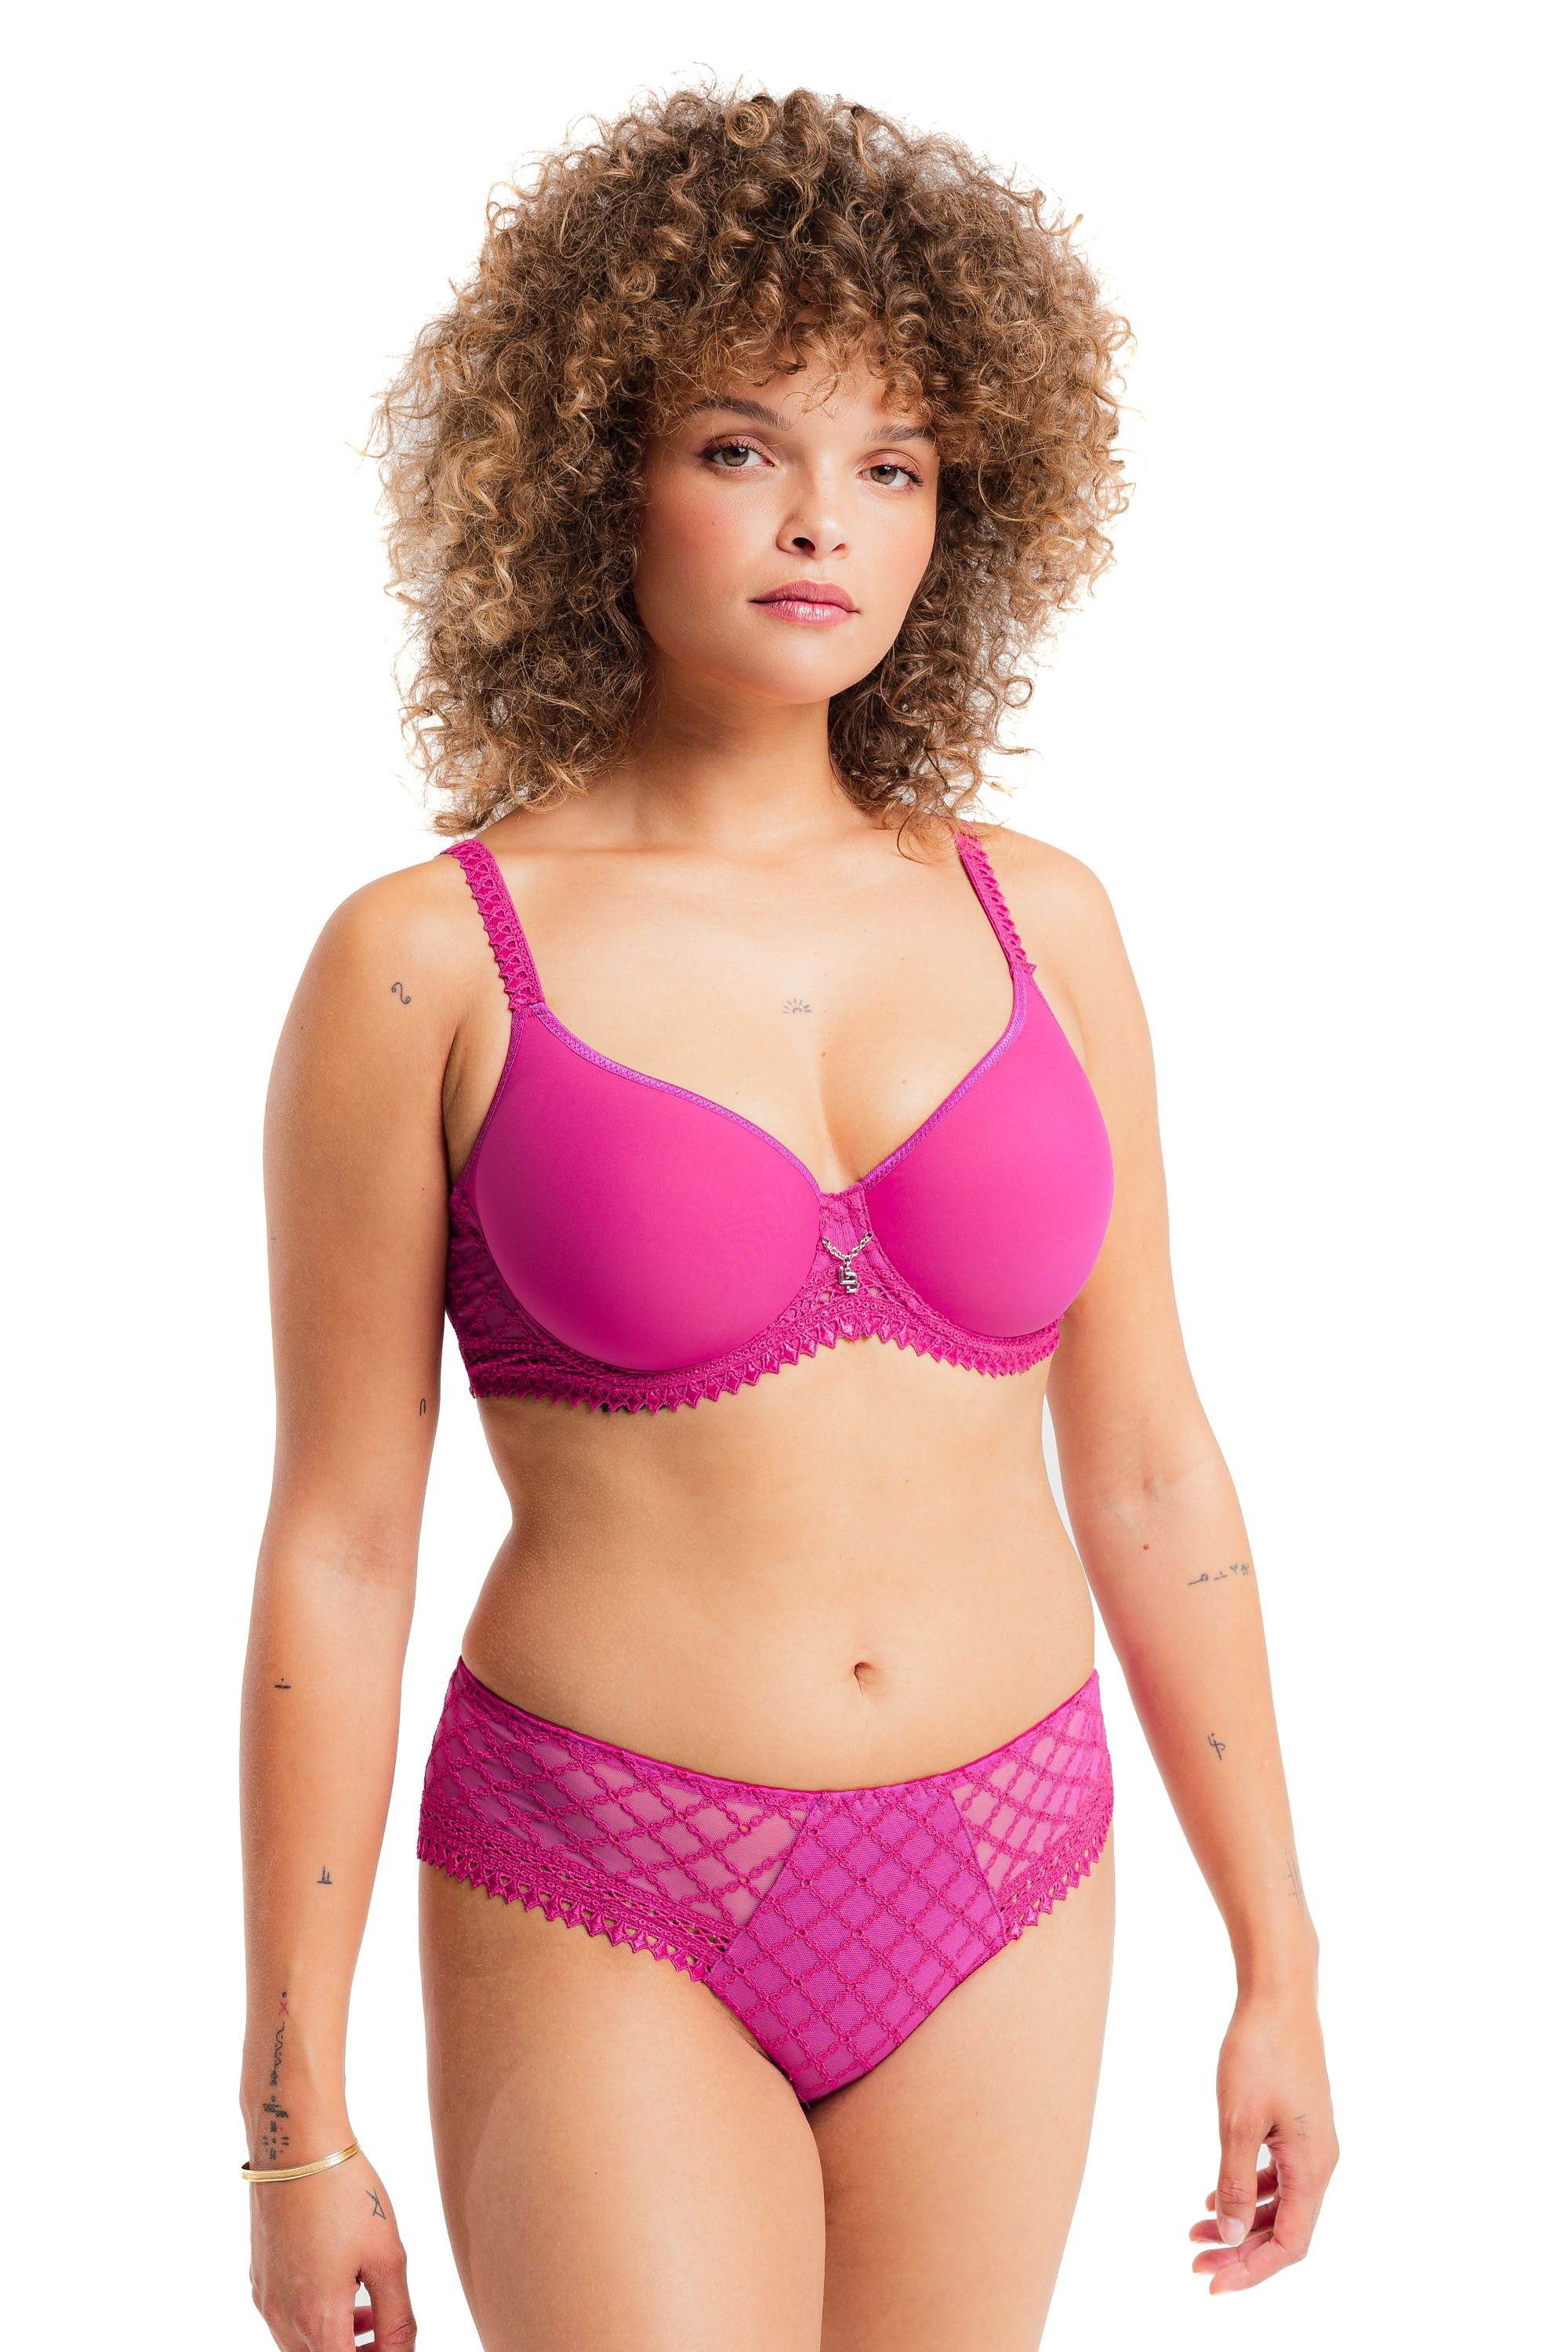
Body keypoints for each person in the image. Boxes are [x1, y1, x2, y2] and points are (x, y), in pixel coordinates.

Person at [238, 82, 1338, 2352]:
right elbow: (340, 1544)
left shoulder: (1047, 922)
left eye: (894, 464)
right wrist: (290, 2116)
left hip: (1011, 1861)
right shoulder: (427, 958)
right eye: (742, 447)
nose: (824, 517)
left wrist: (1283, 1961)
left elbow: (1150, 1464)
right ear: (591, 477)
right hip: (604, 1873)